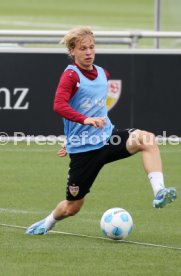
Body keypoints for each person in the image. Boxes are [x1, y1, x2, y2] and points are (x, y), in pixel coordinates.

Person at [26, 26, 177, 235]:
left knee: (147, 139)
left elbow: (97, 108)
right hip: (84, 152)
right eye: (82, 48)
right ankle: (48, 222)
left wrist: (89, 123)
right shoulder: (71, 76)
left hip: (109, 139)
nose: (88, 52)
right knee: (72, 207)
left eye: (91, 47)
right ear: (72, 51)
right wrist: (81, 125)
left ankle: (159, 191)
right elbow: (59, 105)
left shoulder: (103, 74)